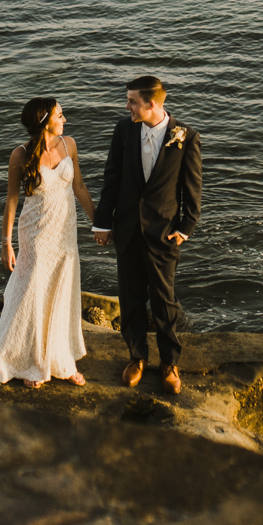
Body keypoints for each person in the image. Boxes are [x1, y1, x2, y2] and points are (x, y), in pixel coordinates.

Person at [93, 74, 202, 394]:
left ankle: (169, 362)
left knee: (164, 299)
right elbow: (111, 178)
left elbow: (192, 188)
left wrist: (185, 228)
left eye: (132, 101)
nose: (127, 106)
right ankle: (136, 357)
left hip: (164, 233)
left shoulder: (186, 137)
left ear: (151, 104)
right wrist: (103, 223)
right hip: (126, 229)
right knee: (130, 297)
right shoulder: (123, 130)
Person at [0, 96, 97, 387]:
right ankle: (31, 360)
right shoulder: (20, 155)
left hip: (65, 231)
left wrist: (99, 222)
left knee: (63, 289)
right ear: (44, 120)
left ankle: (62, 359)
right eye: (60, 115)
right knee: (32, 291)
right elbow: (11, 200)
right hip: (35, 233)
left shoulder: (68, 144)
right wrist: (6, 242)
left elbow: (79, 186)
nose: (65, 120)